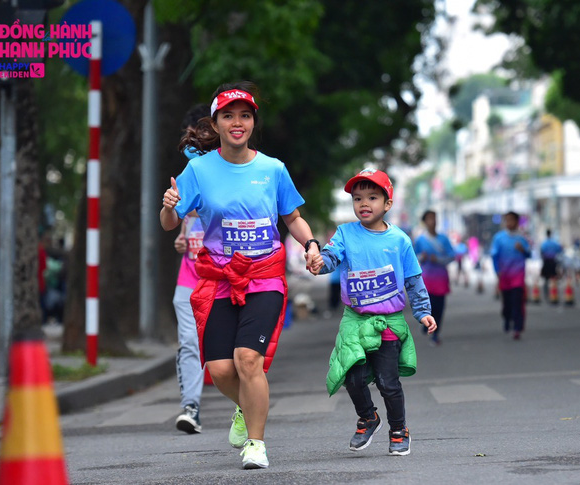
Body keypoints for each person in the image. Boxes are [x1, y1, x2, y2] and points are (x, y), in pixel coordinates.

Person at [160, 81, 320, 470]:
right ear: (215, 124)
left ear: (252, 123)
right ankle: (245, 407)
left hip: (264, 275)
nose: (237, 122)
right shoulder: (198, 169)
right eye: (228, 116)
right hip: (218, 277)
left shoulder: (272, 169)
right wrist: (169, 206)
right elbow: (169, 223)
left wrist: (311, 244)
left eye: (244, 116)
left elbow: (292, 218)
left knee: (248, 359)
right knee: (218, 370)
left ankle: (256, 443)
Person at [308, 168, 437, 456]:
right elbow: (330, 257)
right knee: (352, 377)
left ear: (387, 203)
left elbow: (413, 280)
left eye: (372, 197)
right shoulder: (345, 233)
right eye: (357, 198)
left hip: (388, 322)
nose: (364, 203)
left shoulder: (400, 240)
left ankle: (398, 429)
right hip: (355, 321)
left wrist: (423, 311)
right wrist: (319, 262)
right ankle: (368, 417)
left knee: (387, 382)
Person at [171, 104, 209, 435]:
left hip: (226, 281)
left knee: (233, 355)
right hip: (189, 280)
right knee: (189, 342)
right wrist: (182, 240)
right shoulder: (184, 179)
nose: (194, 148)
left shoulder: (234, 175)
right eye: (189, 142)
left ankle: (246, 406)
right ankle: (190, 406)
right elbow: (173, 222)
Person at [414, 210, 454, 346]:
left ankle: (436, 332)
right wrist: (422, 258)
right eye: (430, 219)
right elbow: (414, 258)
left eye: (434, 218)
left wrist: (438, 259)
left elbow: (451, 256)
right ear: (425, 222)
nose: (433, 221)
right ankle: (427, 324)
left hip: (441, 278)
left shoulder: (443, 239)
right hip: (426, 279)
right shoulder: (420, 240)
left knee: (440, 307)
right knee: (428, 305)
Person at [490, 211, 531, 340]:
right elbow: (494, 256)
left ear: (517, 222)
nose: (510, 223)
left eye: (512, 220)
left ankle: (518, 327)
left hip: (518, 276)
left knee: (517, 301)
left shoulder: (522, 238)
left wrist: (522, 250)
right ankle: (507, 318)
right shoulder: (499, 238)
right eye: (507, 220)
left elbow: (529, 254)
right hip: (505, 275)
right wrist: (497, 271)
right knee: (507, 303)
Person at [539, 229, 563, 296]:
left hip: (546, 262)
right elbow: (560, 250)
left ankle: (546, 294)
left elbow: (541, 251)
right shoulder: (555, 243)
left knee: (546, 279)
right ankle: (554, 293)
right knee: (554, 278)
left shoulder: (544, 243)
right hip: (553, 262)